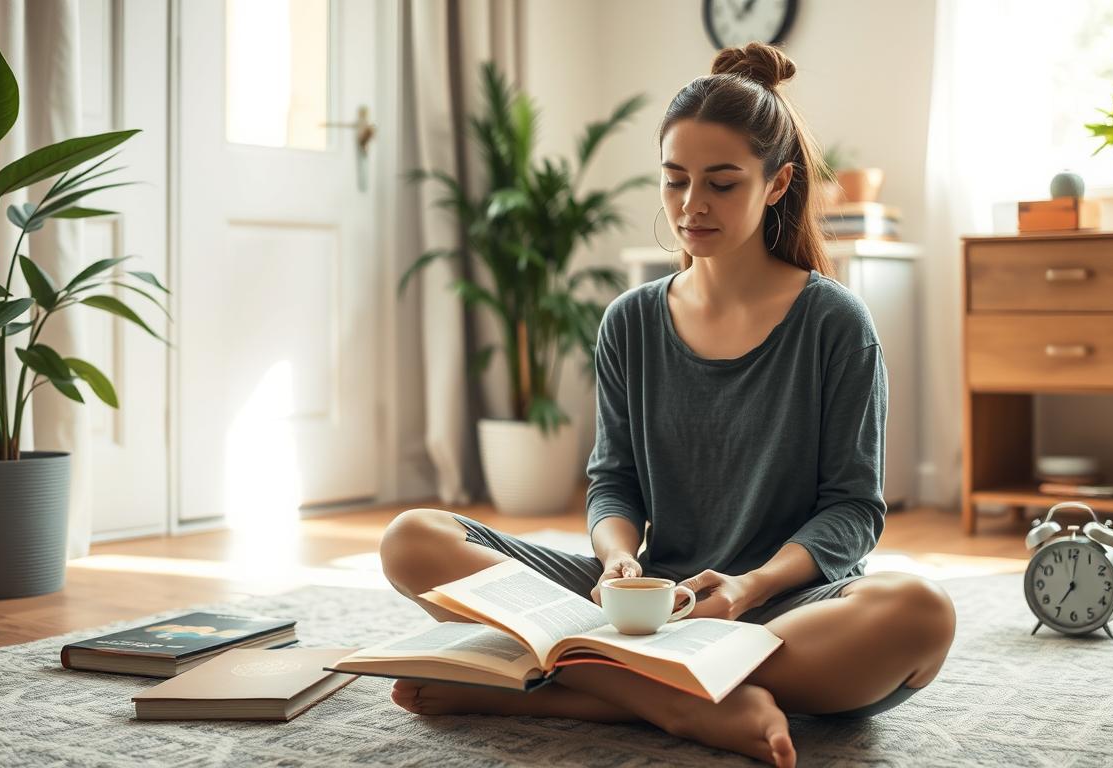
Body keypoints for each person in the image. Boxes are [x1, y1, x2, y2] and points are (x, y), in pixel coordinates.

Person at [380, 42, 956, 768]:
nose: (692, 205)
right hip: (649, 607)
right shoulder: (631, 320)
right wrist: (617, 558)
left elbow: (853, 510)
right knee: (412, 538)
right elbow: (614, 479)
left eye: (721, 183)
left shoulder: (835, 323)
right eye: (675, 180)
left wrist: (748, 587)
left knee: (919, 614)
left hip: (780, 611)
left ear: (777, 184)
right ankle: (681, 698)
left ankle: (576, 687)